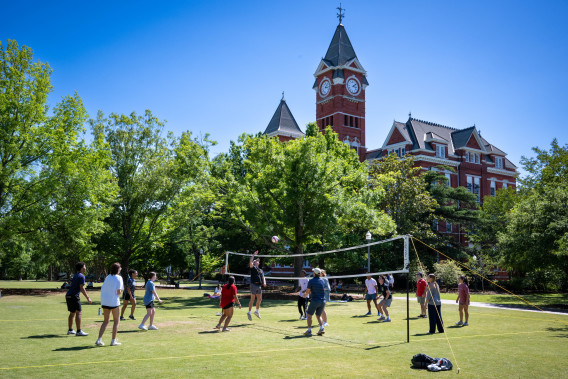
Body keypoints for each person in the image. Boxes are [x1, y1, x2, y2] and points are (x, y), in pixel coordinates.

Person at [96, 263, 124, 346]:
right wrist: (121, 292)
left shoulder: (108, 277)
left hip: (105, 301)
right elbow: (119, 292)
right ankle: (113, 340)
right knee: (116, 321)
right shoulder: (119, 277)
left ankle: (99, 339)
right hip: (113, 302)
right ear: (118, 269)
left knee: (106, 321)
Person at [65, 262, 92, 336]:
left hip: (68, 295)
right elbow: (82, 288)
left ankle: (70, 330)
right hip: (74, 296)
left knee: (72, 313)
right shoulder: (82, 276)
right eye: (84, 266)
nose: (85, 268)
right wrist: (88, 298)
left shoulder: (75, 275)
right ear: (81, 268)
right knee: (79, 312)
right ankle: (79, 331)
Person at [302, 268, 326, 336]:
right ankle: (321, 328)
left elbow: (308, 291)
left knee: (309, 315)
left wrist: (304, 295)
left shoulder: (311, 281)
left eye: (313, 272)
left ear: (314, 273)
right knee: (318, 315)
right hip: (322, 301)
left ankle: (309, 330)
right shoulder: (322, 281)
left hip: (315, 300)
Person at [247, 250, 266, 321]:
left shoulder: (260, 270)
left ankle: (257, 311)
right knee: (252, 299)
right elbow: (250, 262)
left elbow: (263, 277)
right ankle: (249, 312)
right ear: (254, 262)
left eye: (258, 261)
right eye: (256, 261)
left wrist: (264, 282)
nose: (258, 261)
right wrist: (253, 254)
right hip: (253, 284)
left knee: (259, 299)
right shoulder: (253, 268)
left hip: (259, 286)